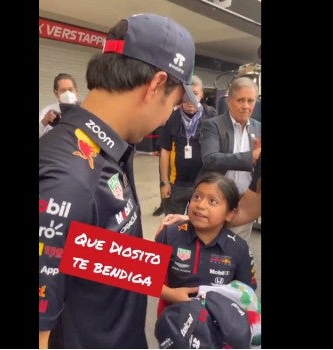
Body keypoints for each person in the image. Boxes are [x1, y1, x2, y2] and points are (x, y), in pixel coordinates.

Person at [39, 13, 199, 349]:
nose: (169, 114)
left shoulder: (103, 149)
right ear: (155, 85)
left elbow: (85, 249)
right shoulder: (68, 179)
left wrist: (166, 289)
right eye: (173, 102)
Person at [155, 172, 257, 314]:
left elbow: (247, 296)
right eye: (196, 197)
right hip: (174, 322)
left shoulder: (239, 249)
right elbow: (144, 276)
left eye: (212, 201)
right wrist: (170, 294)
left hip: (219, 327)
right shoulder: (169, 234)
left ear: (230, 214)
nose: (200, 205)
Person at [199, 77, 261, 242]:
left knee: (238, 248)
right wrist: (250, 157)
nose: (246, 106)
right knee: (211, 249)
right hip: (217, 200)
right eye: (241, 100)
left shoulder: (258, 128)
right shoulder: (213, 125)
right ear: (229, 101)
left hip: (245, 202)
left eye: (250, 100)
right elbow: (210, 159)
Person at [157, 75, 217, 215]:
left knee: (200, 224)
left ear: (201, 94)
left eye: (194, 94)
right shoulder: (172, 117)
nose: (190, 99)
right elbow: (164, 151)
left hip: (204, 182)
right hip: (177, 185)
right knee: (172, 225)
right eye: (186, 94)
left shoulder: (211, 115)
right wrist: (164, 183)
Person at [39, 73, 79, 138]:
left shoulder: (85, 110)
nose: (67, 93)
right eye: (63, 90)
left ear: (76, 91)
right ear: (56, 93)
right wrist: (44, 122)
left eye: (70, 89)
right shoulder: (46, 112)